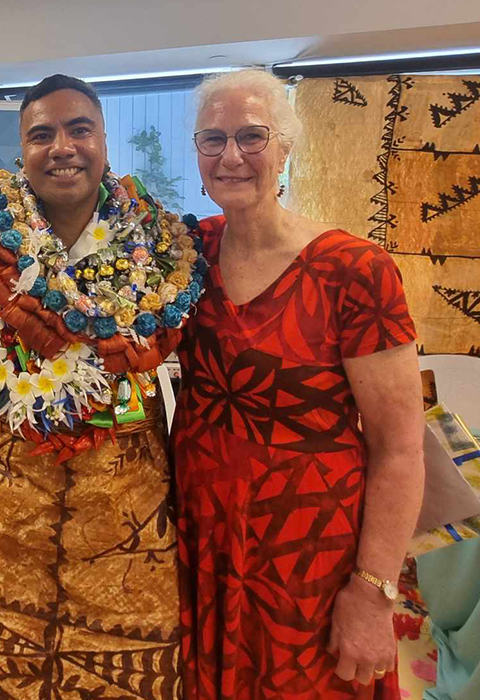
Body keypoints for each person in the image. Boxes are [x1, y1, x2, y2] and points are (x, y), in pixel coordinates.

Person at [0, 74, 204, 700]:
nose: (62, 146)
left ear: (104, 139)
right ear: (22, 151)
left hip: (125, 510)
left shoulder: (161, 244)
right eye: (41, 134)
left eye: (79, 129)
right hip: (3, 502)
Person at [171, 68, 425, 700]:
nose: (231, 156)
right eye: (213, 139)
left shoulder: (354, 270)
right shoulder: (185, 256)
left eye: (252, 137)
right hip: (204, 547)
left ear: (286, 147)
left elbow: (400, 449)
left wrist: (371, 595)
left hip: (309, 557)